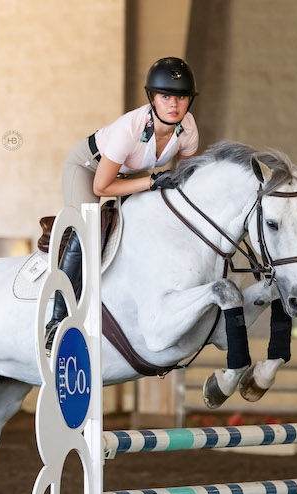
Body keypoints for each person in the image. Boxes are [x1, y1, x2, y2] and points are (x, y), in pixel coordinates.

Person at [46, 56, 199, 347]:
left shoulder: (188, 129)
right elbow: (102, 187)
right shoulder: (130, 128)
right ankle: (56, 318)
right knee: (86, 229)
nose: (174, 104)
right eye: (165, 96)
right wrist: (152, 181)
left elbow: (185, 181)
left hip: (133, 173)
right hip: (89, 169)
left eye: (181, 97)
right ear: (152, 98)